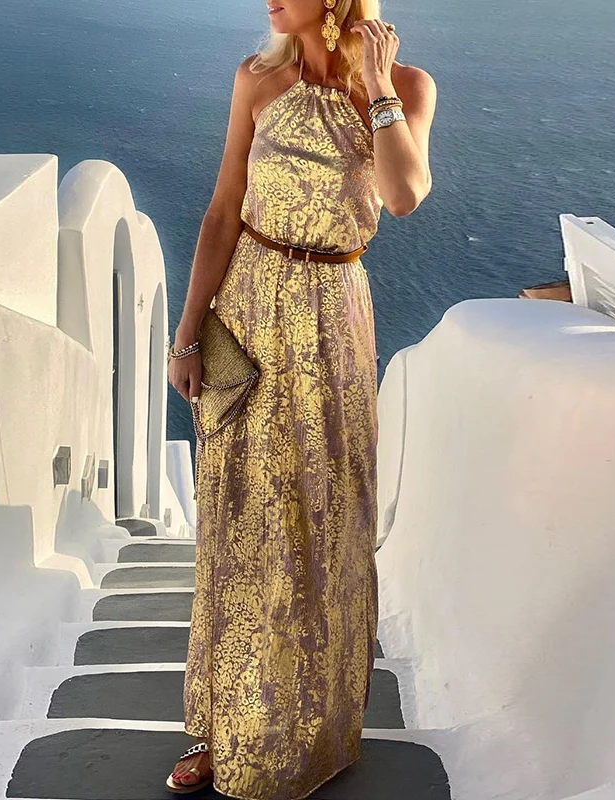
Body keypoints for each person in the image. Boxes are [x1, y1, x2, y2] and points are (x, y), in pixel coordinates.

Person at [166, 1, 436, 797]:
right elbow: (224, 209)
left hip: (333, 317)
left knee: (325, 522)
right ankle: (222, 726)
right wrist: (188, 332)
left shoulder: (408, 85)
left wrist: (377, 86)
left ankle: (312, 734)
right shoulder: (257, 78)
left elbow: (404, 194)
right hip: (248, 311)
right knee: (241, 523)